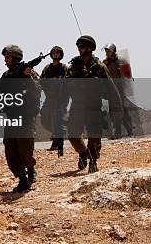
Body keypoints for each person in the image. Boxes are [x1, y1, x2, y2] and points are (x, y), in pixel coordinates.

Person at [62, 35, 122, 173]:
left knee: (95, 136)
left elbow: (111, 89)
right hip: (77, 105)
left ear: (90, 48)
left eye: (82, 46)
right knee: (72, 134)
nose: (79, 49)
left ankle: (93, 161)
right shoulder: (73, 66)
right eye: (78, 47)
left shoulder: (100, 67)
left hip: (94, 105)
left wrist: (117, 111)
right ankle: (83, 152)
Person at [0, 44, 42, 193]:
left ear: (15, 57)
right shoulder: (6, 75)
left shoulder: (29, 73)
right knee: (10, 150)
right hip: (11, 116)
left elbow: (36, 91)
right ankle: (22, 178)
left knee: (24, 147)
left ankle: (30, 170)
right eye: (5, 57)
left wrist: (27, 77)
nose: (5, 60)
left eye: (8, 57)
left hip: (26, 116)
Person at [40, 46, 68, 155]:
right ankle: (55, 135)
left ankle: (56, 141)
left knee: (58, 120)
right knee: (44, 118)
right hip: (50, 98)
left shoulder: (64, 68)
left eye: (57, 53)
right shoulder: (47, 68)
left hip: (60, 99)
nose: (55, 54)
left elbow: (68, 82)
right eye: (53, 52)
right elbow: (42, 81)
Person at [103, 43, 134, 138]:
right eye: (106, 51)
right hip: (110, 89)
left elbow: (126, 76)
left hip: (120, 89)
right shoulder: (105, 62)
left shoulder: (121, 61)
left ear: (113, 51)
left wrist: (124, 90)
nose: (107, 52)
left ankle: (127, 131)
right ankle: (119, 132)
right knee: (113, 111)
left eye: (108, 50)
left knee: (122, 110)